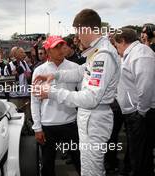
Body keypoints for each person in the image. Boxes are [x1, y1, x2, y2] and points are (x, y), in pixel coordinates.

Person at [33, 9, 120, 176]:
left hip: (95, 117)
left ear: (85, 29)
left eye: (78, 32)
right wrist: (56, 74)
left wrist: (52, 93)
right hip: (92, 118)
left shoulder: (103, 55)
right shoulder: (96, 52)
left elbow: (90, 98)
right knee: (89, 167)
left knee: (91, 170)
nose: (78, 37)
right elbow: (81, 72)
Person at [31, 35, 80, 176]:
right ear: (47, 50)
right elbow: (35, 101)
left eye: (62, 46)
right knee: (47, 165)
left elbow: (84, 96)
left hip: (71, 123)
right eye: (56, 47)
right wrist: (37, 127)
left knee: (80, 160)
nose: (60, 50)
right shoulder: (39, 71)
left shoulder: (75, 68)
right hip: (48, 126)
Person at [113, 28, 155, 176]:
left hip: (141, 114)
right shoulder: (131, 54)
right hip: (134, 113)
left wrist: (140, 112)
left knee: (141, 155)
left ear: (123, 41)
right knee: (137, 152)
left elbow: (146, 86)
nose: (117, 50)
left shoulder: (141, 54)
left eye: (117, 45)